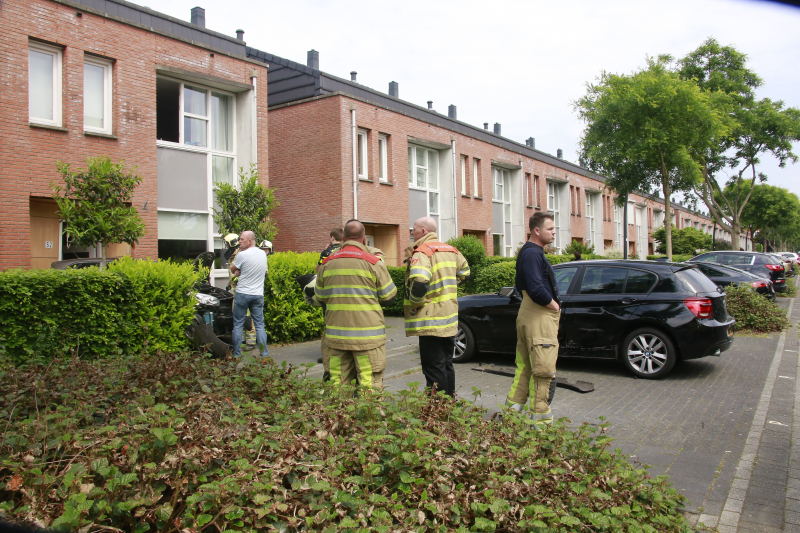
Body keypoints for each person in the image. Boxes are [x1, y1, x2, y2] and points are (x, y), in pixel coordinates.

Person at [315, 219, 397, 388]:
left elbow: (320, 298)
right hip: (368, 340)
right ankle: (368, 414)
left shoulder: (327, 263)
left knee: (337, 384)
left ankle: (338, 415)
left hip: (336, 338)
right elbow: (389, 298)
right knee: (369, 385)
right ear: (364, 239)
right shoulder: (373, 262)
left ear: (343, 238)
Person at [505, 212, 561, 426]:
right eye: (550, 228)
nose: (554, 232)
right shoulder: (532, 254)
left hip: (530, 312)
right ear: (536, 230)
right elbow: (537, 288)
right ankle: (541, 429)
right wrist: (554, 306)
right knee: (543, 370)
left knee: (526, 368)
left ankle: (510, 419)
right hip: (538, 315)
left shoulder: (531, 253)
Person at [404, 217, 470, 398]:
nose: (412, 232)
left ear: (424, 231)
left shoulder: (422, 252)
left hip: (431, 319)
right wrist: (451, 283)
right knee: (447, 363)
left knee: (433, 367)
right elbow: (466, 272)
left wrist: (416, 302)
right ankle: (449, 403)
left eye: (414, 229)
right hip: (449, 318)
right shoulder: (451, 250)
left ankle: (437, 408)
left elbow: (419, 282)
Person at [230, 231, 269, 359]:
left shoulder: (242, 255)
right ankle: (264, 355)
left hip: (243, 294)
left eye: (242, 239)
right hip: (258, 295)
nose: (239, 241)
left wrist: (237, 271)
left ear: (250, 241)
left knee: (238, 325)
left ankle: (236, 355)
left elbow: (232, 268)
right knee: (259, 325)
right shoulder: (263, 254)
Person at [225, 234, 257, 348]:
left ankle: (251, 342)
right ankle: (243, 341)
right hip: (236, 292)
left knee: (247, 317)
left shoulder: (242, 255)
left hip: (244, 291)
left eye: (227, 244)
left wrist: (237, 278)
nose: (226, 246)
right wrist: (229, 285)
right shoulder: (232, 257)